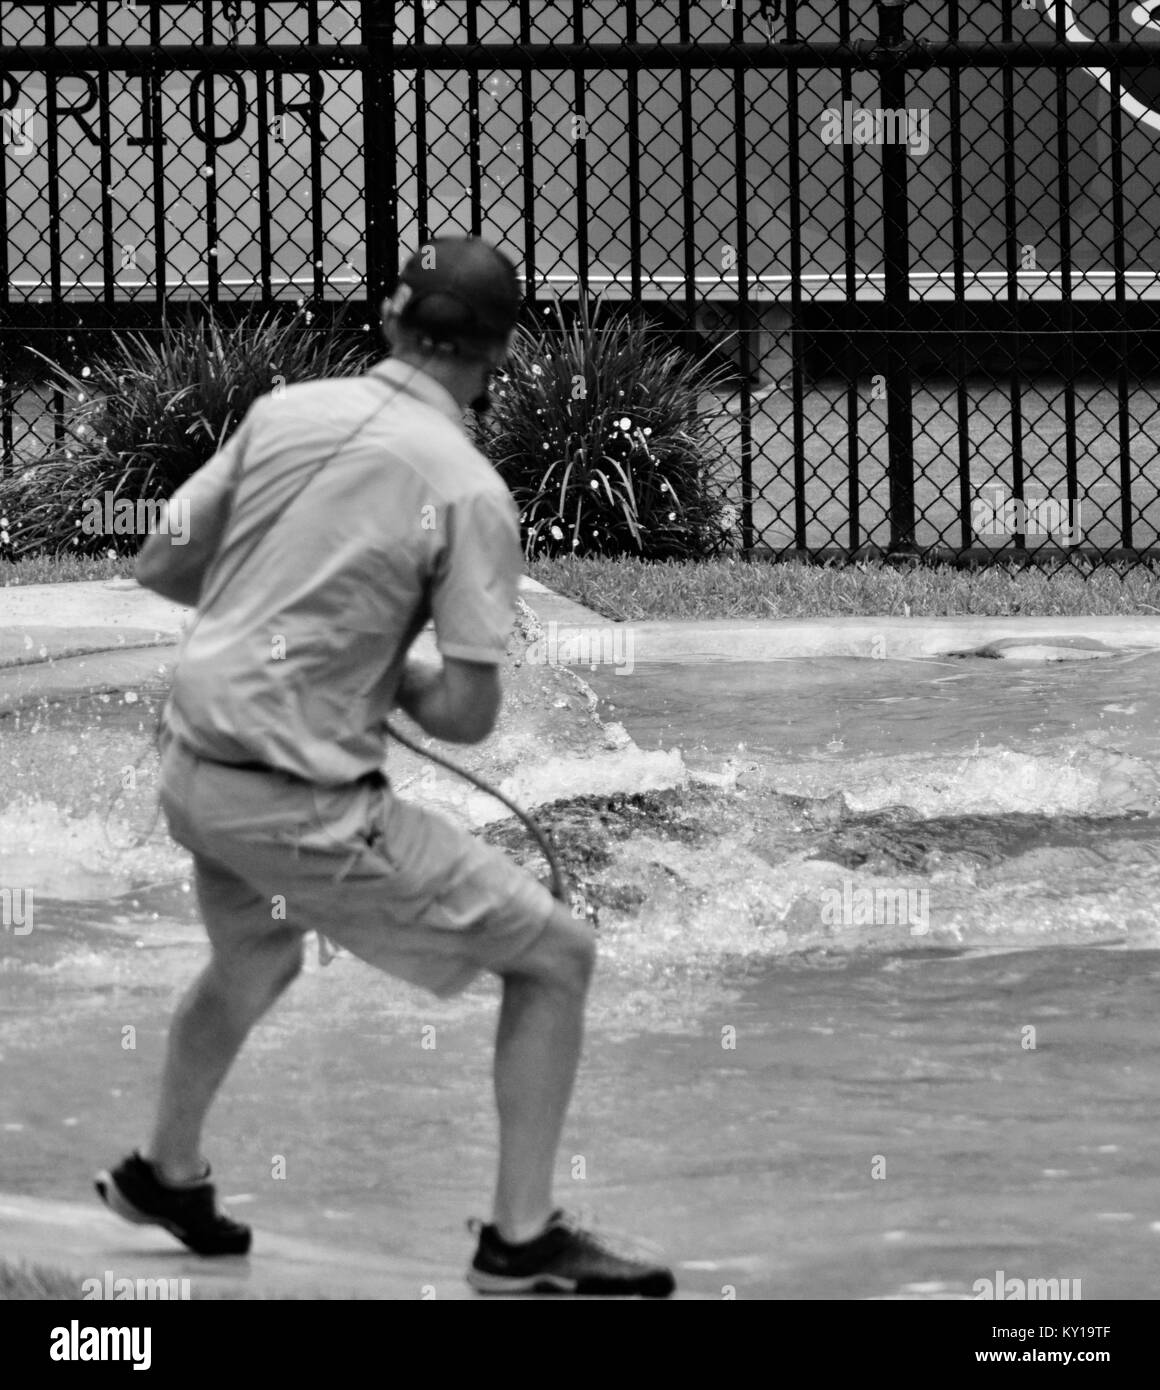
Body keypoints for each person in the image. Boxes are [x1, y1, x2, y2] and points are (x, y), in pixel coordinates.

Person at [94, 235, 675, 1298]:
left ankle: (163, 1174)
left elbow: (164, 560)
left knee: (257, 956)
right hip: (293, 801)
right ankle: (520, 1242)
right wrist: (385, 670)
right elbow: (463, 712)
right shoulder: (466, 489)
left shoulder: (285, 415)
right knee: (555, 957)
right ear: (497, 357)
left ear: (392, 322)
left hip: (192, 767)